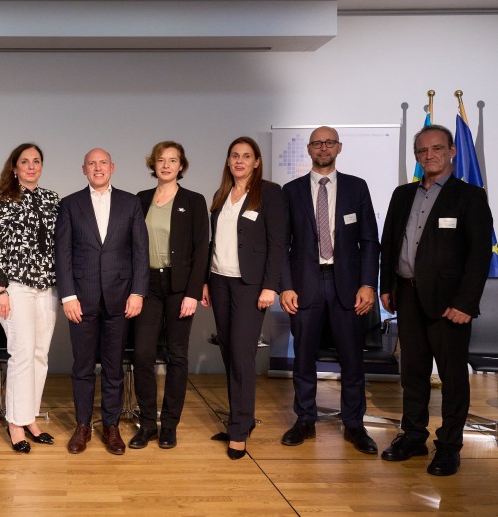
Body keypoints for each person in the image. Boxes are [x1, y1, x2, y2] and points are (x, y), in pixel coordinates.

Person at [379, 124, 493, 476]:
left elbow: (479, 256)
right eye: (423, 151)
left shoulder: (470, 196)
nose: (430, 156)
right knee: (412, 373)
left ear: (452, 151)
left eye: (437, 149)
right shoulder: (402, 195)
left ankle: (449, 446)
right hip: (407, 297)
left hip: (449, 305)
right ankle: (413, 435)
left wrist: (466, 303)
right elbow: (389, 244)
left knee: (452, 377)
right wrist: (387, 285)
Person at [278, 126, 380, 455]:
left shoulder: (356, 188)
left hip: (348, 286)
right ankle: (304, 419)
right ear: (308, 149)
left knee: (352, 360)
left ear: (339, 147)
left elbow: (369, 241)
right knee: (303, 358)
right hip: (305, 285)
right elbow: (282, 244)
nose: (323, 148)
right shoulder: (290, 190)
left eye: (329, 142)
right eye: (317, 143)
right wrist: (286, 287)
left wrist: (368, 284)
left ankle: (354, 423)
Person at [55, 148, 149, 455]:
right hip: (81, 299)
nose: (98, 168)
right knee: (82, 367)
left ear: (113, 167)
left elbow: (140, 252)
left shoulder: (130, 202)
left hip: (120, 299)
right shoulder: (69, 204)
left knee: (113, 367)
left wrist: (138, 292)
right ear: (83, 169)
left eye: (103, 163)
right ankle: (83, 426)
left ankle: (111, 425)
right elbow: (63, 254)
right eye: (92, 164)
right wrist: (67, 295)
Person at [199, 136, 287, 459]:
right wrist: (205, 281)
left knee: (242, 353)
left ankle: (238, 432)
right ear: (228, 161)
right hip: (219, 282)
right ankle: (242, 419)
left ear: (257, 162)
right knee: (228, 352)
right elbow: (214, 244)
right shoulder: (222, 196)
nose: (239, 161)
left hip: (250, 286)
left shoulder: (270, 194)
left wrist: (270, 286)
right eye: (234, 156)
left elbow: (278, 243)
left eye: (246, 156)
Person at [131, 141, 208, 450]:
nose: (166, 165)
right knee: (142, 355)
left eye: (172, 160)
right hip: (147, 285)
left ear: (181, 166)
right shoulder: (140, 199)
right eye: (161, 160)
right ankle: (148, 423)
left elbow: (202, 248)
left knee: (177, 356)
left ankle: (170, 425)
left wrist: (193, 292)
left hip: (179, 287)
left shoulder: (194, 200)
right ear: (154, 164)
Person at [0, 143, 60, 453]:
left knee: (40, 355)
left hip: (48, 287)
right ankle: (15, 423)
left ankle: (30, 416)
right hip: (15, 287)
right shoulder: (1, 201)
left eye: (36, 161)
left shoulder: (52, 200)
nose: (31, 166)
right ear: (14, 167)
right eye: (25, 161)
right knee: (21, 354)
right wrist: (0, 288)